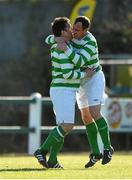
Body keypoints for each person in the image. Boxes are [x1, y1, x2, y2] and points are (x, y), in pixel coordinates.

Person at [47, 16, 114, 168]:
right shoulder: (72, 37)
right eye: (73, 28)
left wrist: (65, 48)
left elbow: (80, 61)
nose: (73, 31)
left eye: (77, 30)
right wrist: (55, 40)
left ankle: (107, 148)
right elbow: (48, 39)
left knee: (94, 112)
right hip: (81, 79)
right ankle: (96, 152)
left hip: (94, 77)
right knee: (85, 117)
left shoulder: (90, 42)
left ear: (86, 30)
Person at [34, 17, 94, 169]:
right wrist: (85, 75)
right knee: (67, 125)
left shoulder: (64, 44)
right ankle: (41, 150)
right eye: (68, 28)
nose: (71, 31)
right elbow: (68, 74)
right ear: (62, 32)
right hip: (62, 89)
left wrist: (56, 38)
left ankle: (53, 160)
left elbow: (49, 38)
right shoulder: (60, 48)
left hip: (66, 89)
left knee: (62, 127)